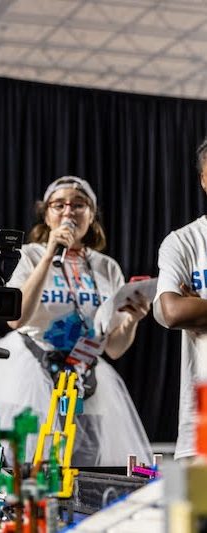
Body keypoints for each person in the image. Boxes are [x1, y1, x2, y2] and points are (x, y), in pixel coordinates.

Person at [0, 176, 153, 466]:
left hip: (85, 371)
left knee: (84, 462)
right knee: (30, 461)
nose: (69, 211)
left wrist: (132, 319)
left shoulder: (107, 267)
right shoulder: (29, 255)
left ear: (92, 215)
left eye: (79, 205)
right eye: (59, 205)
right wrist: (48, 256)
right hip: (31, 368)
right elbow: (16, 320)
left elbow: (116, 348)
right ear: (46, 214)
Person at [154, 138, 207, 462]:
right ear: (203, 179)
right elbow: (172, 311)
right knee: (191, 511)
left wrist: (199, 307)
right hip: (200, 424)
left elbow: (186, 309)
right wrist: (185, 309)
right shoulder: (182, 242)